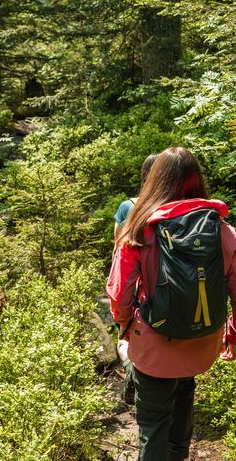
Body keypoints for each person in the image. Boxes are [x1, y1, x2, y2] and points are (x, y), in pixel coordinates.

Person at [106, 147, 236, 461]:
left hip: (155, 344)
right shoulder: (223, 231)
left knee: (153, 427)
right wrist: (230, 334)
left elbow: (118, 295)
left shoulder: (139, 231)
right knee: (182, 398)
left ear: (155, 181)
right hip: (202, 342)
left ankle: (130, 367)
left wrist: (125, 325)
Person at [113, 153, 158, 404]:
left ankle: (133, 376)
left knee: (125, 337)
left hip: (136, 291)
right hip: (166, 292)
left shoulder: (128, 206)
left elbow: (117, 248)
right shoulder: (178, 211)